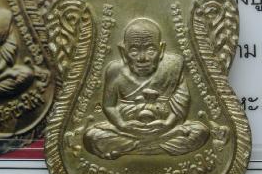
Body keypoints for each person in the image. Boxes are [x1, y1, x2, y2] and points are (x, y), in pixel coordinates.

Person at [83, 17, 209, 159]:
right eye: (134, 51)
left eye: (150, 50)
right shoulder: (114, 70)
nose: (142, 58)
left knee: (200, 132)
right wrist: (122, 125)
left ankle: (131, 148)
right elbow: (109, 105)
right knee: (91, 137)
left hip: (165, 128)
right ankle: (154, 146)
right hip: (128, 130)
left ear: (161, 50)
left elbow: (182, 104)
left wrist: (168, 124)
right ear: (123, 52)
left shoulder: (173, 66)